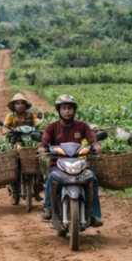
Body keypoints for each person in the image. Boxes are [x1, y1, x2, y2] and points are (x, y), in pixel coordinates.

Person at [38, 94, 103, 226]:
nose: (67, 111)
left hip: (79, 163)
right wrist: (42, 150)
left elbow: (92, 141)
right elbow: (42, 144)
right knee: (51, 178)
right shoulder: (52, 127)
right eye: (64, 108)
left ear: (74, 110)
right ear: (59, 110)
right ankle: (48, 208)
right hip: (58, 164)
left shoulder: (82, 125)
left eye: (70, 108)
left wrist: (96, 146)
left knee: (92, 179)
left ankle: (94, 214)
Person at [3, 93, 42, 202]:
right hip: (15, 142)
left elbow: (38, 124)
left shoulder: (31, 115)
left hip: (30, 142)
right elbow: (4, 129)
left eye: (22, 103)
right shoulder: (10, 116)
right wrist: (9, 131)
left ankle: (38, 186)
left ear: (25, 105)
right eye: (17, 103)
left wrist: (39, 128)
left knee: (39, 161)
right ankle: (14, 190)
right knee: (13, 165)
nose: (20, 105)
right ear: (14, 105)